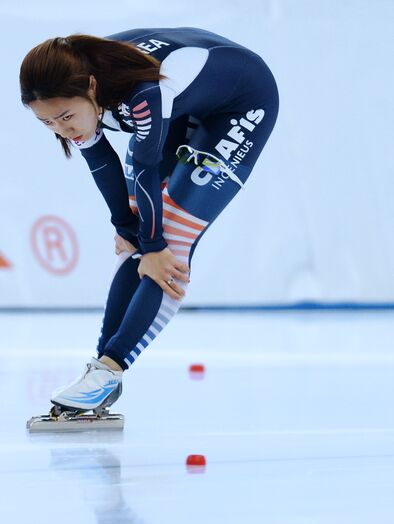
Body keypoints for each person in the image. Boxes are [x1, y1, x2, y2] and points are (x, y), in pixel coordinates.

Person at [20, 27, 279, 417]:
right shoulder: (74, 87)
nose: (63, 129)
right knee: (137, 234)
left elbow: (144, 164)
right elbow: (102, 163)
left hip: (241, 102)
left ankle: (111, 368)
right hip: (186, 103)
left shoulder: (138, 92)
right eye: (48, 123)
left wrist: (155, 246)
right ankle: (101, 371)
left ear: (91, 87)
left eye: (67, 117)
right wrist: (128, 228)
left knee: (169, 243)